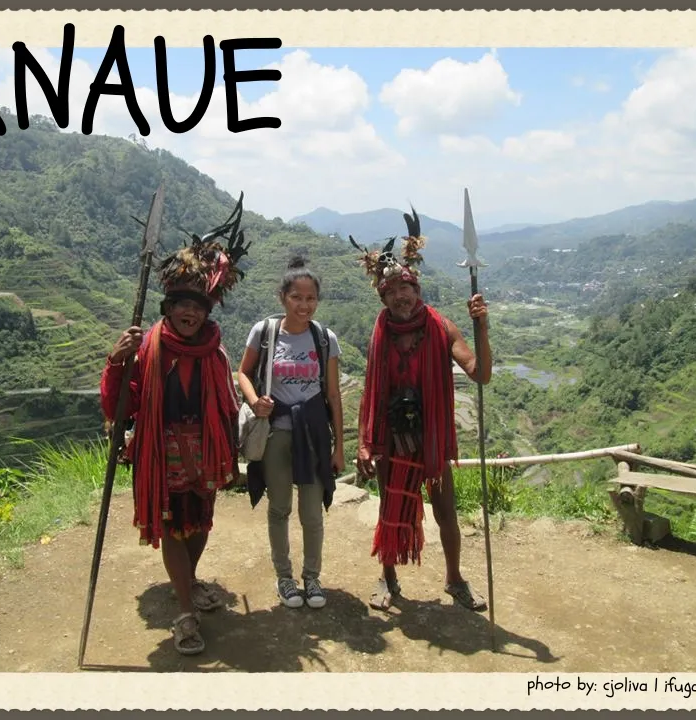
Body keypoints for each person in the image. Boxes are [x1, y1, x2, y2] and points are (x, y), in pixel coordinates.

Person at [100, 195, 249, 656]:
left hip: (204, 450)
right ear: (167, 307)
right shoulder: (146, 349)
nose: (191, 313)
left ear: (208, 311)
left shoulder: (215, 352)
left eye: (198, 307)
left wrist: (230, 452)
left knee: (200, 524)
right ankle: (184, 612)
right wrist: (116, 361)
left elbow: (225, 404)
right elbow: (121, 403)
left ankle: (187, 579)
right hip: (160, 452)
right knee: (171, 527)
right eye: (182, 305)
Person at [350, 207, 492, 612]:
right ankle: (388, 576)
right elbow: (370, 390)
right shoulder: (381, 331)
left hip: (430, 436)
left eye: (405, 287)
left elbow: (479, 373)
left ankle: (455, 578)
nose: (400, 296)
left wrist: (481, 326)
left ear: (417, 287)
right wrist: (365, 442)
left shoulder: (441, 327)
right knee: (389, 507)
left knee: (446, 511)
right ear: (383, 296)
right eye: (391, 290)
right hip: (392, 437)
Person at [237, 256, 346, 610]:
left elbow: (332, 394)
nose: (305, 305)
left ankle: (311, 577)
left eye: (311, 298)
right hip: (276, 433)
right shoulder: (265, 333)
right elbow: (242, 373)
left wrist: (339, 446)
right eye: (297, 297)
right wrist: (255, 401)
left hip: (313, 434)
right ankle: (284, 578)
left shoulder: (324, 339)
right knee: (279, 507)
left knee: (312, 512)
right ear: (283, 297)